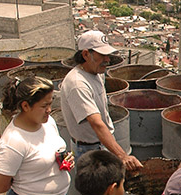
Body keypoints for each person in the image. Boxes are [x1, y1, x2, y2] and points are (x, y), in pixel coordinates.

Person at [60, 30, 141, 170]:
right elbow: (97, 124)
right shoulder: (78, 84)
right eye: (102, 55)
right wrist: (122, 156)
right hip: (88, 150)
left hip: (102, 144)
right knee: (95, 190)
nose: (107, 60)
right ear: (86, 54)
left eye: (108, 55)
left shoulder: (96, 73)